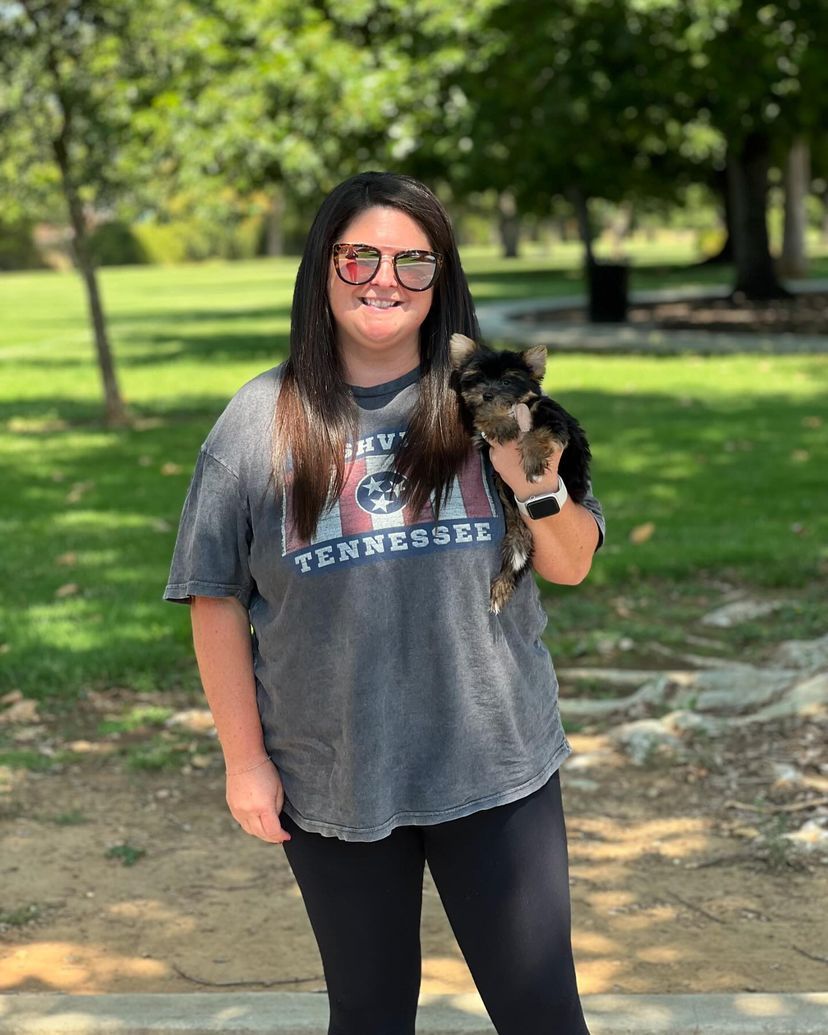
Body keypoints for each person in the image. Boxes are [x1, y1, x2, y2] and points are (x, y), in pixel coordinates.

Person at [164, 171, 604, 1035]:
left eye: (413, 261)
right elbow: (214, 594)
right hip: (333, 770)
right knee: (367, 1015)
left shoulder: (496, 404)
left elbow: (572, 565)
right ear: (322, 267)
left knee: (542, 1011)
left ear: (441, 278)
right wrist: (244, 759)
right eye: (360, 255)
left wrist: (534, 482)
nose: (385, 279)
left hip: (495, 760)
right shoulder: (259, 420)